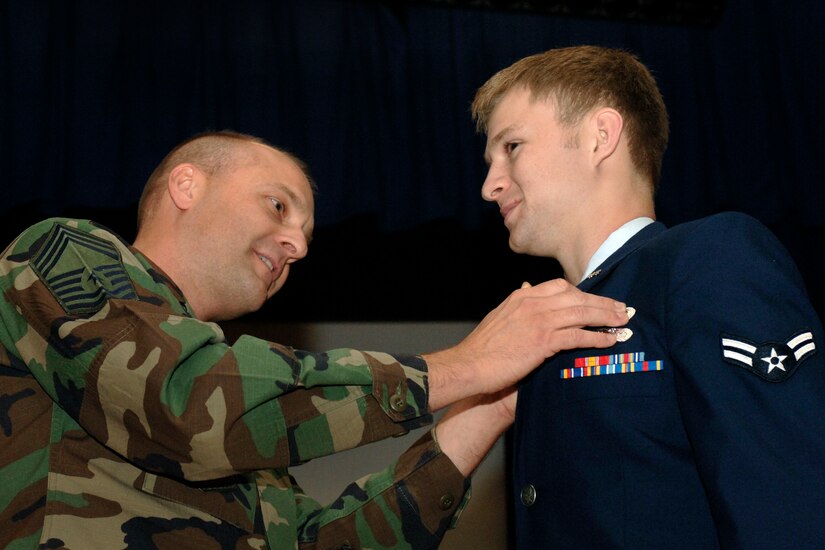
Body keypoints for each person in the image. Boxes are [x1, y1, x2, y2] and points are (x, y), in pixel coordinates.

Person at [0, 130, 631, 548]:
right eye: (278, 208)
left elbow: (319, 544)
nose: (298, 246)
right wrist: (466, 363)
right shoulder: (61, 252)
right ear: (186, 186)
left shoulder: (250, 419)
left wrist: (485, 409)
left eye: (305, 233)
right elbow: (185, 406)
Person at [472, 45, 825, 548]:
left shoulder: (709, 259)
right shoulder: (542, 326)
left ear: (600, 137)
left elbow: (789, 504)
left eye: (511, 147)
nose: (490, 185)